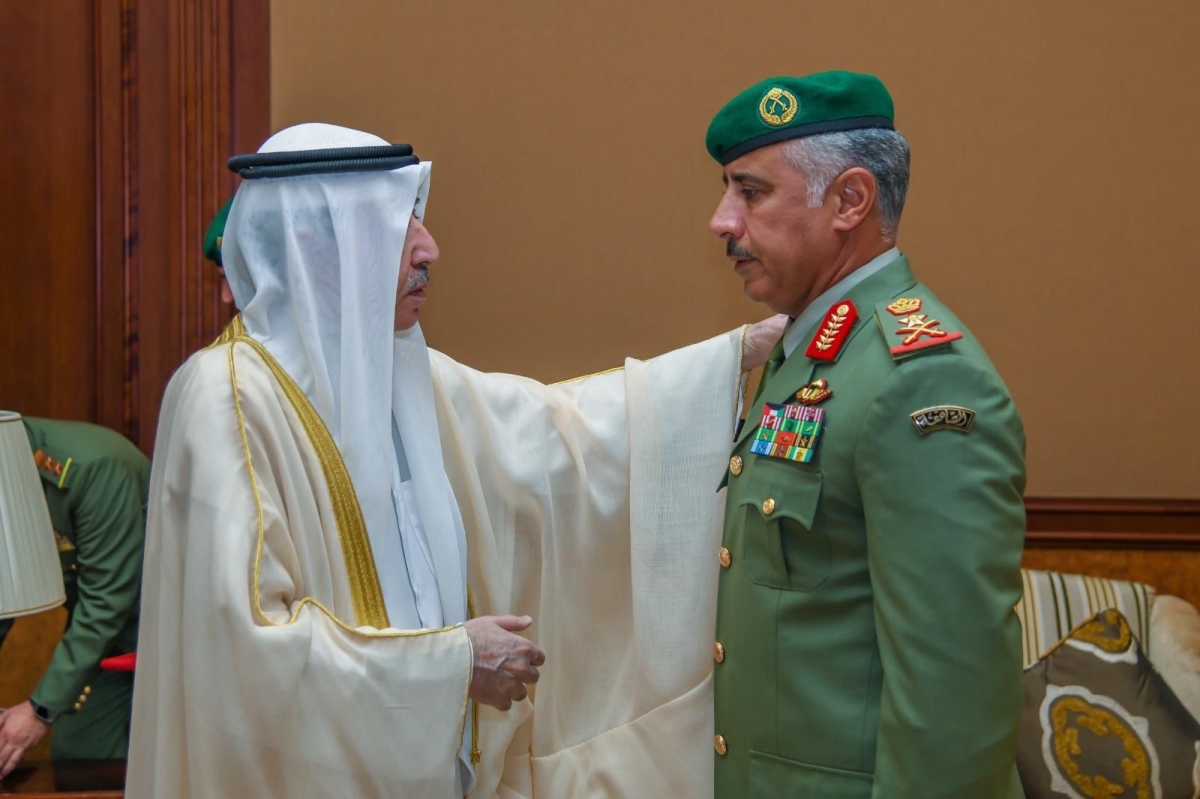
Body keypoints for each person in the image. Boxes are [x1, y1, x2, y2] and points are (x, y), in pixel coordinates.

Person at [128, 122, 783, 798]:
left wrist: (735, 357)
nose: (429, 248)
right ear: (321, 244)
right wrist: (451, 665)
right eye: (398, 225)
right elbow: (244, 650)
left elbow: (552, 435)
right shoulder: (227, 396)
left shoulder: (398, 372)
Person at [704, 70, 1027, 798]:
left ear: (850, 201)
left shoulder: (922, 379)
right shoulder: (816, 351)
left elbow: (955, 692)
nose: (721, 221)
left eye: (751, 192)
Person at [0, 418, 149, 778]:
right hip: (109, 641)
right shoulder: (11, 470)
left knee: (101, 764)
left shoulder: (93, 468)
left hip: (173, 639)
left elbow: (106, 601)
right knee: (78, 751)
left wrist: (39, 710)